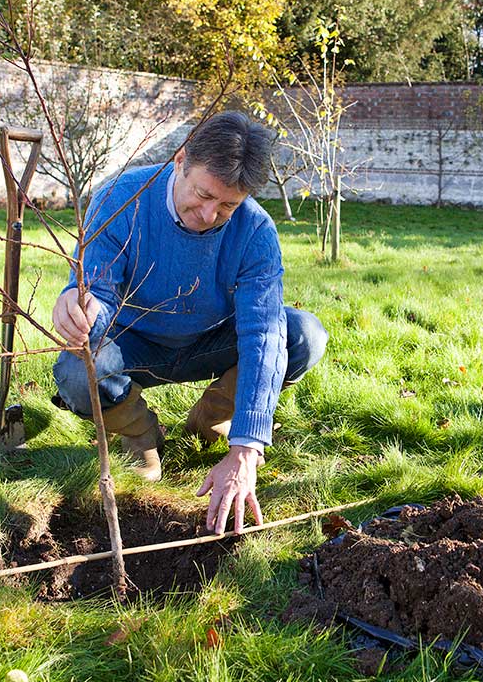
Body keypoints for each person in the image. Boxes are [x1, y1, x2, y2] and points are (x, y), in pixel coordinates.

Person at [50, 111, 327, 536]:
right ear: (180, 160)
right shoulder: (122, 199)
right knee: (75, 369)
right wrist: (80, 304)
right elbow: (99, 293)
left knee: (303, 337)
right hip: (132, 342)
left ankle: (213, 422)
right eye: (202, 194)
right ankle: (142, 435)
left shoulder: (255, 231)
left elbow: (264, 335)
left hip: (210, 341)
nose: (209, 214)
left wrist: (248, 446)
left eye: (228, 206)